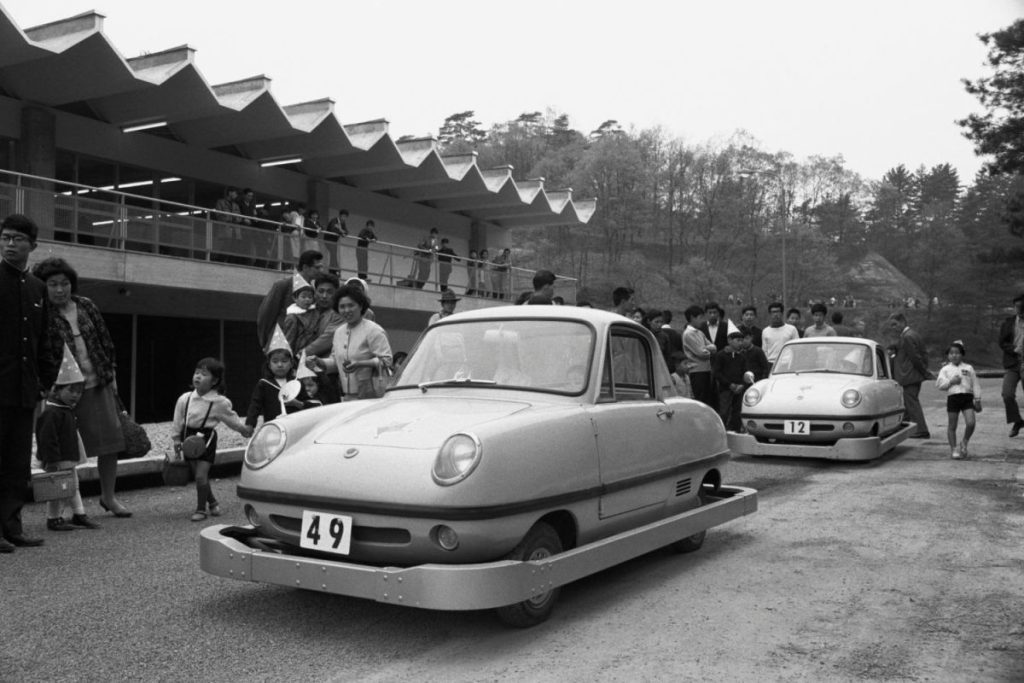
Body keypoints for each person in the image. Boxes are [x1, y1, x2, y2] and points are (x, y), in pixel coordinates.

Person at [34, 257, 131, 517]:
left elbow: (105, 341)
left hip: (97, 382)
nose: (60, 289)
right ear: (43, 286)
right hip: (62, 392)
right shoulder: (41, 312)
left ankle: (108, 497)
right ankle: (64, 507)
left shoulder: (86, 305)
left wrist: (112, 373)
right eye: (53, 284)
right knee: (62, 450)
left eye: (64, 283)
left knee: (109, 444)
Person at [0, 214, 56, 551]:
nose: (10, 244)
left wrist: (46, 382)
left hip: (24, 389)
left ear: (32, 246)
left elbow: (43, 340)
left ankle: (12, 527)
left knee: (17, 462)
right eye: (5, 237)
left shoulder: (37, 288)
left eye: (17, 239)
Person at [171, 357, 252, 521]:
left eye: (204, 374)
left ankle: (201, 510)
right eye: (196, 372)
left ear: (214, 381)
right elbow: (177, 420)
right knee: (199, 476)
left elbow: (231, 419)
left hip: (206, 440)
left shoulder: (219, 402)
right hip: (188, 439)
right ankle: (213, 503)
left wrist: (244, 430)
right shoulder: (184, 398)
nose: (198, 376)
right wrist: (176, 439)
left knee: (200, 476)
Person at [35, 344, 101, 531]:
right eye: (71, 391)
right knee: (59, 488)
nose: (76, 396)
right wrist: (52, 460)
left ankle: (77, 514)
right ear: (57, 390)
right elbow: (47, 438)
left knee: (70, 486)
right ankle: (56, 518)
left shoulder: (64, 409)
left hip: (66, 456)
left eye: (79, 392)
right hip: (58, 458)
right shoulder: (52, 412)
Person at [306, 284, 392, 400]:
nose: (346, 310)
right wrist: (319, 361)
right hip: (346, 396)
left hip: (371, 397)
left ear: (361, 306)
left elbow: (387, 361)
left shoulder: (373, 330)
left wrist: (360, 364)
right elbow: (336, 362)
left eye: (351, 305)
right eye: (342, 307)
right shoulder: (338, 332)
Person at [255, 249, 325, 351]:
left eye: (321, 267)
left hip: (302, 348)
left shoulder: (314, 290)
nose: (321, 270)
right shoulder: (283, 285)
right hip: (281, 344)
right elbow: (265, 316)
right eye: (317, 267)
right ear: (305, 267)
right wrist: (267, 342)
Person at [245, 326, 304, 430]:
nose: (280, 365)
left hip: (296, 428)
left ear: (291, 363)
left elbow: (312, 403)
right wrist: (250, 424)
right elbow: (255, 406)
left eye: (284, 361)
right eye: (275, 361)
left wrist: (298, 404)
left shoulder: (298, 383)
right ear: (269, 365)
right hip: (273, 429)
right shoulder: (264, 384)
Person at [887, 312, 932, 438]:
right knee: (908, 403)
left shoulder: (907, 336)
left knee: (912, 403)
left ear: (902, 322)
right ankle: (904, 427)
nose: (893, 327)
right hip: (911, 375)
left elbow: (915, 357)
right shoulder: (911, 335)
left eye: (895, 324)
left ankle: (921, 430)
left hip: (909, 375)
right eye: (892, 325)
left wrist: (924, 372)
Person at [935, 340, 981, 459]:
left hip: (967, 398)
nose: (954, 355)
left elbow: (975, 384)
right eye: (951, 353)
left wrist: (977, 399)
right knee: (952, 425)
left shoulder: (969, 368)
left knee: (971, 423)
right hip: (953, 398)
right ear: (948, 355)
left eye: (957, 353)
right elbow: (940, 385)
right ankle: (953, 449)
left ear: (962, 354)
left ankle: (964, 441)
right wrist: (951, 382)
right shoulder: (945, 369)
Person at [998, 292, 1024, 436]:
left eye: (1021, 307)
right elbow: (1002, 342)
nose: (1018, 310)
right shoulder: (1008, 323)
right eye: (1016, 307)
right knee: (1007, 394)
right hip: (1013, 363)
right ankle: (1017, 420)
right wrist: (1013, 349)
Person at [682, 305, 717, 409]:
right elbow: (702, 354)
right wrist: (707, 349)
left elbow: (714, 347)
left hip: (706, 369)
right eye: (700, 317)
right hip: (696, 370)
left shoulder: (700, 332)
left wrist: (705, 348)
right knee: (700, 400)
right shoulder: (688, 334)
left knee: (707, 399)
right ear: (692, 317)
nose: (702, 321)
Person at [712, 331, 748, 432]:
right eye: (738, 340)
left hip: (739, 388)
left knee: (737, 411)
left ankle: (735, 430)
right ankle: (722, 431)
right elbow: (717, 373)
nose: (740, 343)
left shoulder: (742, 356)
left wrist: (742, 384)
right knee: (724, 411)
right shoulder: (721, 355)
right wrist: (729, 384)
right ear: (729, 340)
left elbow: (745, 372)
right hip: (725, 388)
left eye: (742, 341)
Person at [281, 274, 317, 353]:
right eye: (303, 297)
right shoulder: (292, 318)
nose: (307, 300)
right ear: (295, 298)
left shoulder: (315, 313)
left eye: (310, 297)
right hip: (298, 353)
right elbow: (289, 340)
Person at [324, 209, 349, 274]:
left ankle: (333, 269)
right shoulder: (334, 220)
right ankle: (334, 269)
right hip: (328, 239)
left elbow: (346, 232)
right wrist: (341, 232)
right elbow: (332, 230)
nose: (344, 218)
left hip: (334, 241)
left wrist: (341, 230)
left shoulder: (342, 223)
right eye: (343, 216)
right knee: (333, 254)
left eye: (345, 217)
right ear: (340, 216)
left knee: (333, 254)